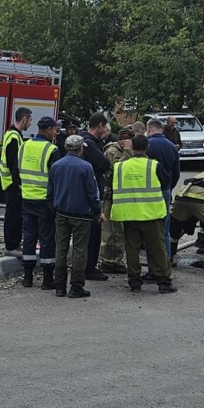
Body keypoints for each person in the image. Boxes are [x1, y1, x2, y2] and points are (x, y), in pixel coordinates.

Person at [109, 134, 177, 293]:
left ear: (132, 147)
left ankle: (134, 282)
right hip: (150, 214)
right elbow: (166, 182)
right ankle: (164, 282)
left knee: (132, 249)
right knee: (157, 248)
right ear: (147, 148)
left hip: (129, 215)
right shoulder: (154, 166)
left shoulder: (120, 166)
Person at [48, 135, 105, 298]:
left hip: (61, 213)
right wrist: (97, 212)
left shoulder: (56, 166)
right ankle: (76, 286)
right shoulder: (86, 167)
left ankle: (59, 285)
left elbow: (50, 191)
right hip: (81, 215)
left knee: (61, 248)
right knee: (80, 250)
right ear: (80, 149)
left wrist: (54, 207)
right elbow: (92, 193)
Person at [19, 116, 61, 288]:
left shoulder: (24, 145)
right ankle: (47, 279)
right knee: (46, 239)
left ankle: (27, 277)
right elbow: (57, 178)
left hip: (27, 198)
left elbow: (17, 169)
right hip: (45, 201)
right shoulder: (52, 150)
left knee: (29, 237)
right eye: (55, 130)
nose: (56, 133)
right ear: (49, 130)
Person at [77, 112, 113, 281]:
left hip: (82, 194)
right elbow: (104, 164)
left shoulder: (82, 141)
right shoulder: (89, 143)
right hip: (90, 195)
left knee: (84, 234)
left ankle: (85, 266)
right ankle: (89, 268)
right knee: (93, 233)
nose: (106, 130)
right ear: (99, 125)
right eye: (105, 126)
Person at [99, 128, 134, 274]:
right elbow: (120, 170)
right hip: (110, 196)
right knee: (111, 230)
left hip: (119, 195)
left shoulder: (122, 150)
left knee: (119, 230)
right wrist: (127, 152)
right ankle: (109, 261)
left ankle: (115, 258)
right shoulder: (113, 151)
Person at [146, 118, 181, 262]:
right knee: (164, 229)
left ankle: (153, 263)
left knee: (150, 230)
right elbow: (176, 172)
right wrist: (169, 188)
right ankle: (166, 260)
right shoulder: (172, 146)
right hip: (165, 191)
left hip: (148, 192)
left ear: (149, 130)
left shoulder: (147, 145)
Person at [0, 107, 31, 257]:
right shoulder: (14, 137)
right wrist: (18, 182)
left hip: (9, 182)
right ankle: (11, 246)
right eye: (29, 120)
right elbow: (14, 163)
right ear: (24, 119)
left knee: (14, 214)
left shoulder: (12, 134)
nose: (30, 124)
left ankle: (14, 244)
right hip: (12, 183)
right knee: (13, 215)